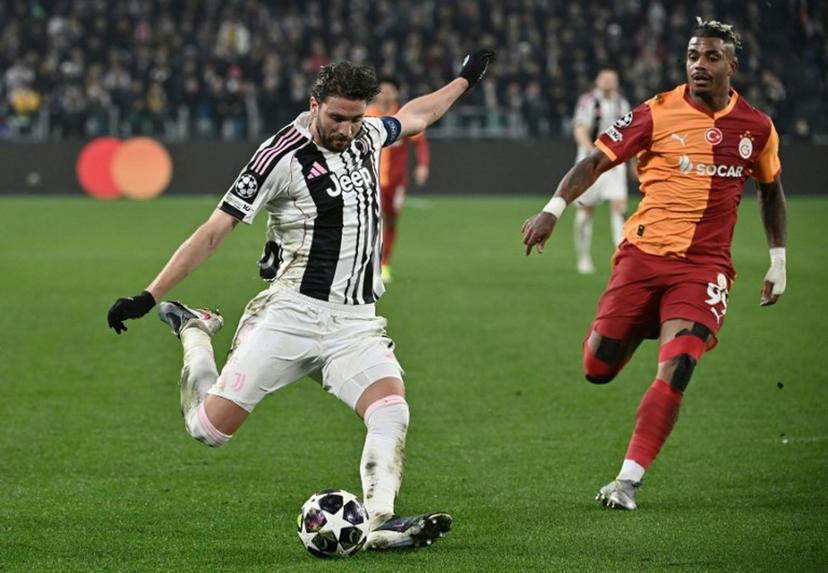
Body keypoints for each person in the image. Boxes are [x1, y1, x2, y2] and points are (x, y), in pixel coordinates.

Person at [107, 51, 495, 547]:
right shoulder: (279, 157)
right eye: (337, 118)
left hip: (355, 321)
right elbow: (214, 230)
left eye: (356, 119)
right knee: (208, 430)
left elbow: (419, 114)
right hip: (292, 314)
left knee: (391, 411)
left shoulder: (369, 135)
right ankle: (194, 331)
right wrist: (149, 294)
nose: (347, 129)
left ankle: (379, 521)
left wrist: (464, 80)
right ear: (314, 105)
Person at [521, 19, 787, 510]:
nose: (698, 65)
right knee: (597, 367)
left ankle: (626, 481)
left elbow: (770, 192)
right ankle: (650, 322)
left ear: (732, 64)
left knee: (679, 364)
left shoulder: (757, 127)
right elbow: (594, 162)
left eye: (710, 57)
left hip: (704, 268)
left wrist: (778, 260)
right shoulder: (655, 113)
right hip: (642, 259)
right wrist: (552, 210)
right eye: (692, 56)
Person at [367, 77, 430, 284]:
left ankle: (385, 264)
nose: (384, 94)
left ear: (396, 93)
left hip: (396, 182)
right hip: (369, 181)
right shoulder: (367, 115)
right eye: (381, 90)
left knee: (391, 221)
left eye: (389, 91)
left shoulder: (403, 116)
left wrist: (422, 165)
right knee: (370, 223)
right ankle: (368, 264)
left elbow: (420, 142)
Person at [571, 70, 631, 274]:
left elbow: (630, 134)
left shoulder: (621, 103)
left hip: (615, 163)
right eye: (604, 78)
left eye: (612, 79)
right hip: (590, 162)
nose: (608, 82)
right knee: (586, 209)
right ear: (597, 81)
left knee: (618, 206)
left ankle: (621, 257)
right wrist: (591, 154)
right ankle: (583, 258)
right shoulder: (587, 102)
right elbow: (580, 129)